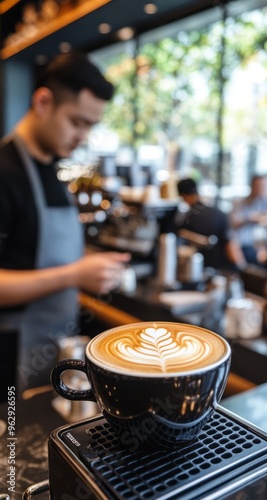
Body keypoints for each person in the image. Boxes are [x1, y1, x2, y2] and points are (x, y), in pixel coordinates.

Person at [0, 52, 130, 392]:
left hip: (52, 346)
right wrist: (76, 273)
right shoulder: (5, 172)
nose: (83, 136)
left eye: (91, 126)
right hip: (8, 358)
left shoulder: (51, 170)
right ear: (43, 101)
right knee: (12, 444)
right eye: (77, 122)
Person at [176, 178, 245, 271]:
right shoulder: (218, 214)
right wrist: (243, 268)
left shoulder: (185, 219)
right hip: (220, 269)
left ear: (183, 196)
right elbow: (231, 247)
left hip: (195, 269)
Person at [230, 174, 267, 265]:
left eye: (264, 186)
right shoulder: (240, 202)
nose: (262, 189)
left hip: (258, 244)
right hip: (241, 243)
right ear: (252, 186)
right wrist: (250, 218)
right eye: (259, 186)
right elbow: (233, 224)